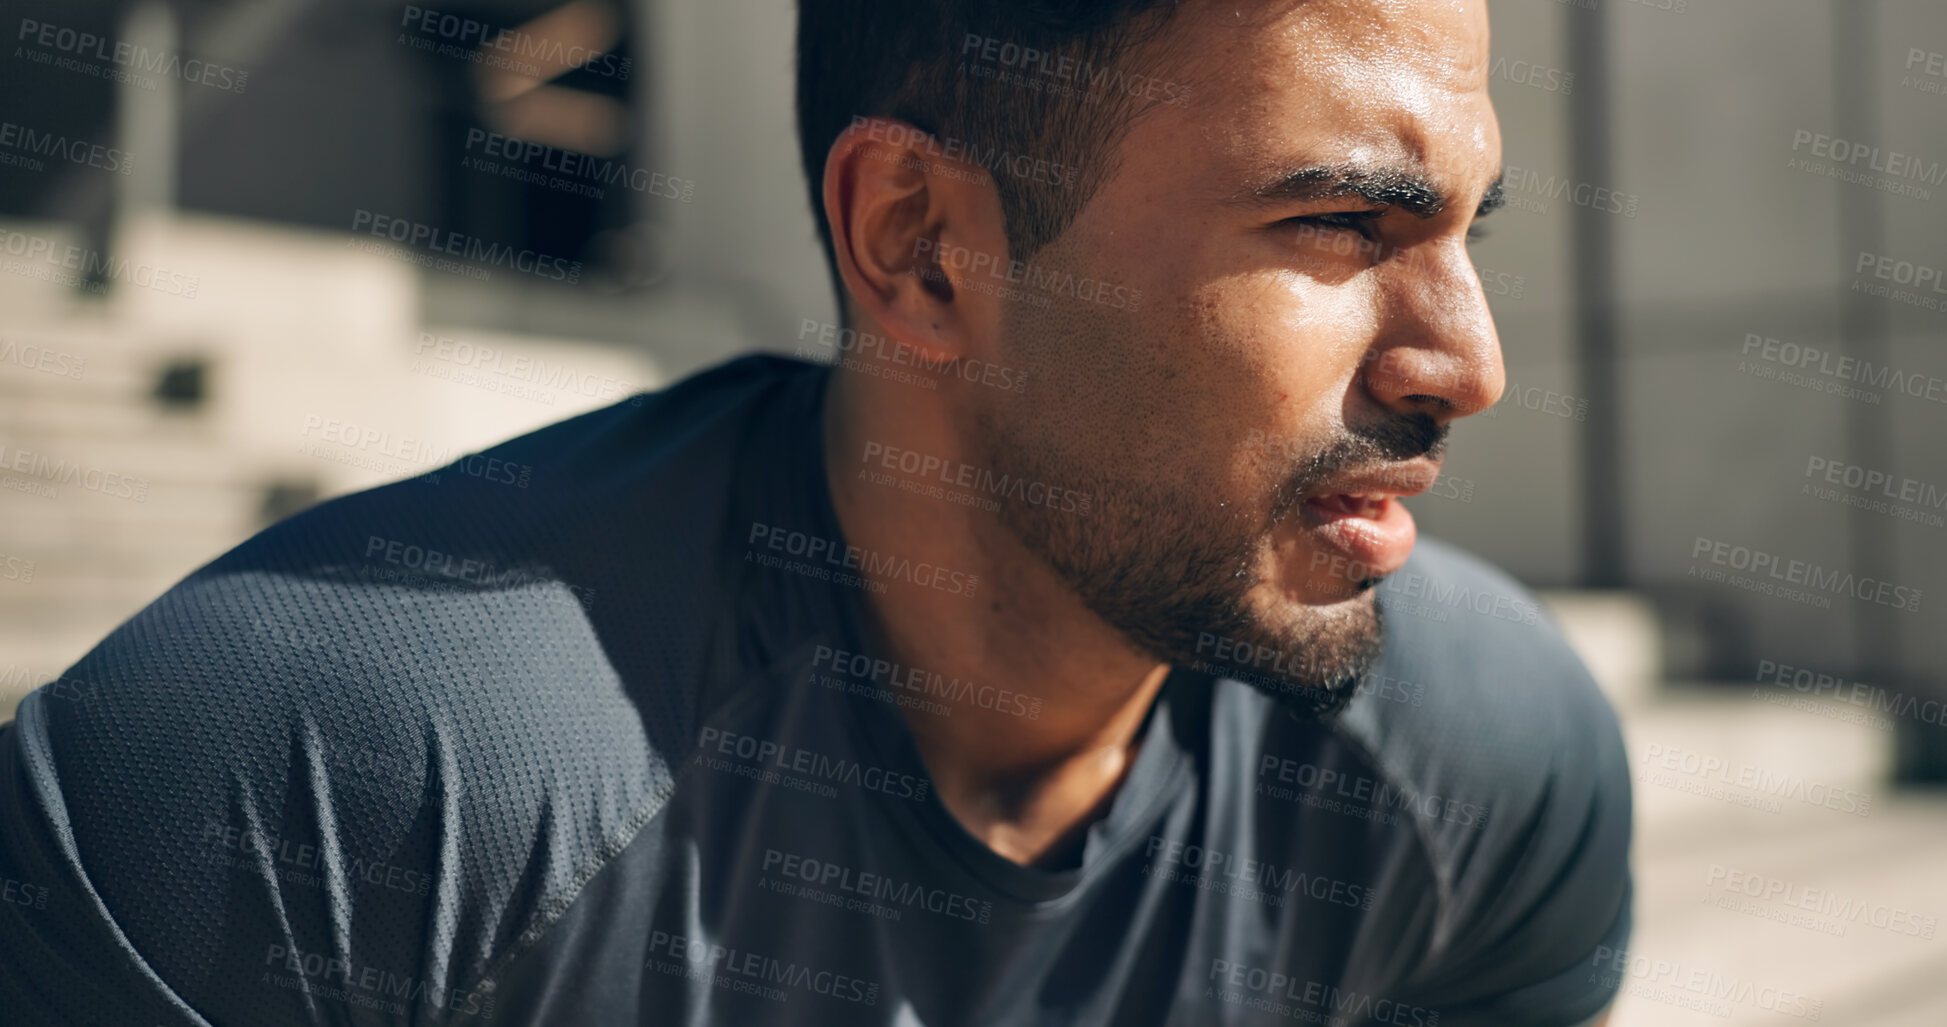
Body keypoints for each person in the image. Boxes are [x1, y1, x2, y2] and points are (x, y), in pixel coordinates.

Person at [0, 0, 1630, 1023]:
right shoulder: (316, 782)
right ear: (923, 242)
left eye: (1468, 231)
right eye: (1344, 221)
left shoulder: (1484, 765)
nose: (1468, 364)